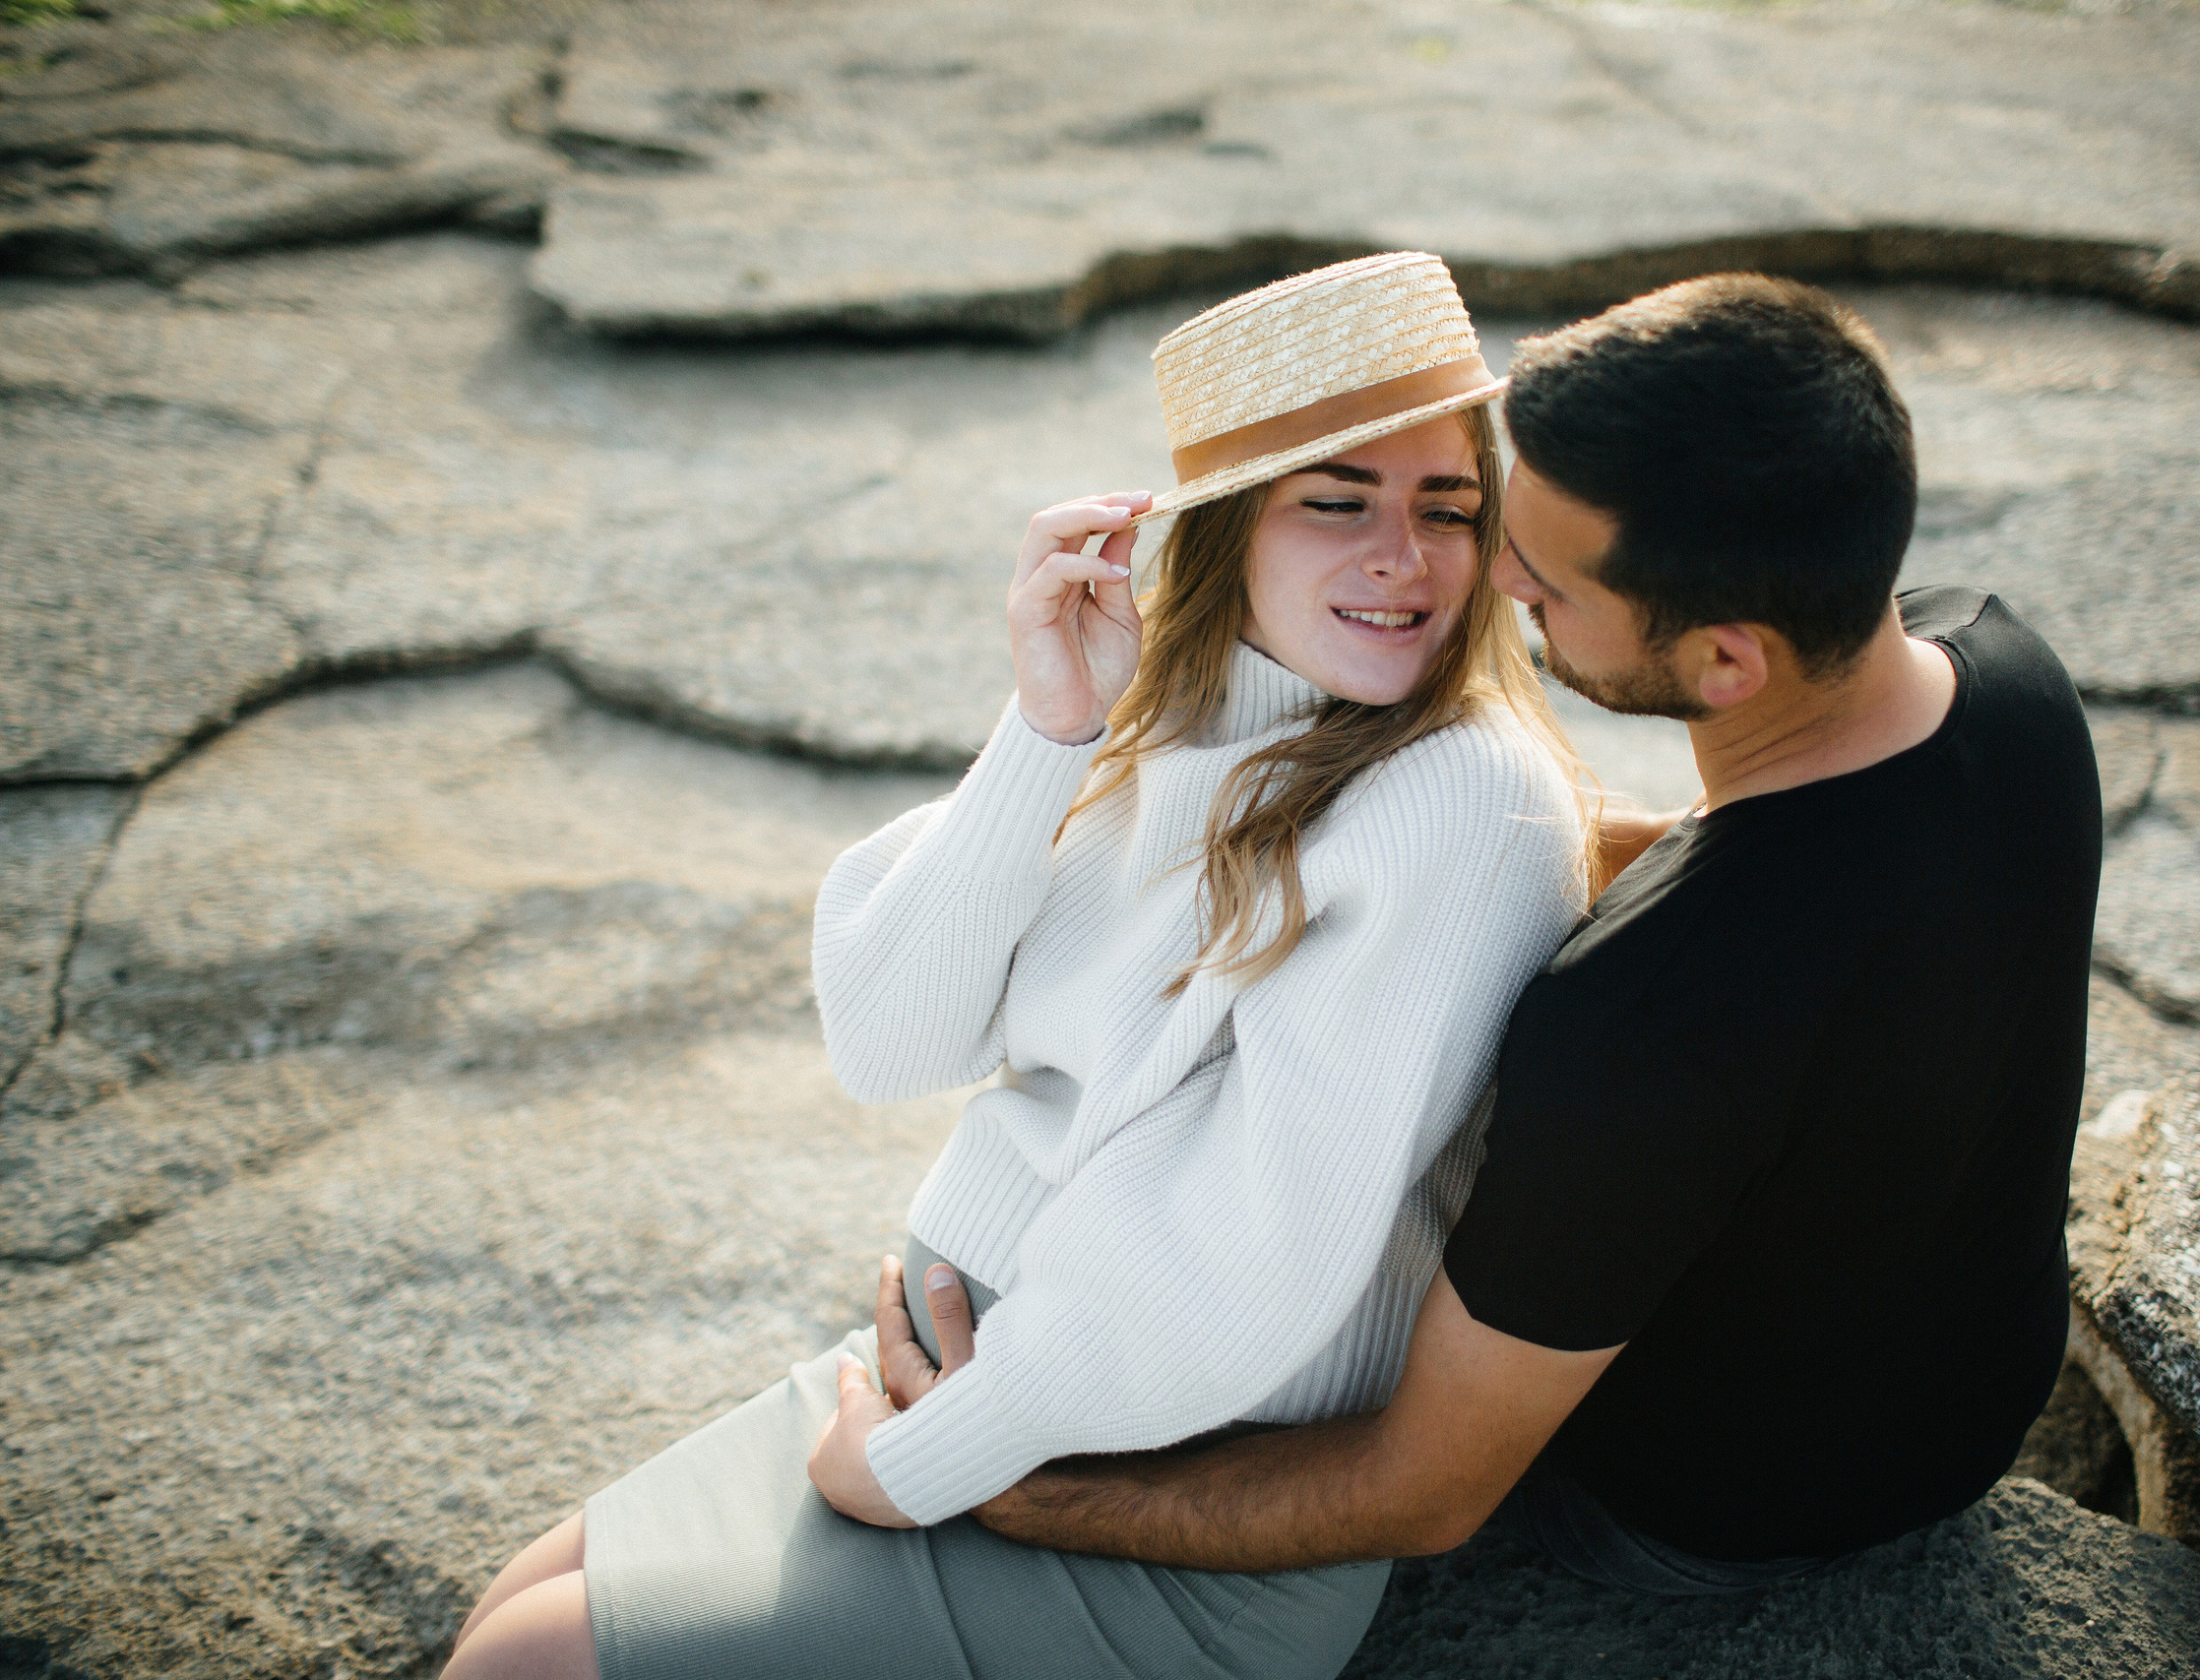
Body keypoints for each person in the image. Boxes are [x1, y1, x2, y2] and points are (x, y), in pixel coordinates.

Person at [441, 252, 1602, 1680]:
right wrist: (1049, 731)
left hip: (1163, 1478)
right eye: (1337, 501)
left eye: (1448, 508)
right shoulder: (1165, 725)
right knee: (511, 1610)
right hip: (976, 1363)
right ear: (1229, 530)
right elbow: (889, 1039)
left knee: (526, 1664)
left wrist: (936, 1458)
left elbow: (1258, 1252)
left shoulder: (1462, 800)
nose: (1404, 558)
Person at [893, 273, 2106, 1598]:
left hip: (1710, 1507)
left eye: (1550, 583)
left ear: (1725, 665)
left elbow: (1420, 1491)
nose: (1491, 575)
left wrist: (1020, 1492)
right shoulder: (1997, 672)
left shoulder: (1634, 1028)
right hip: (1974, 1387)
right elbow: (1776, 880)